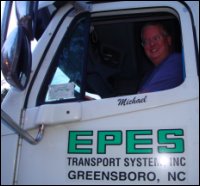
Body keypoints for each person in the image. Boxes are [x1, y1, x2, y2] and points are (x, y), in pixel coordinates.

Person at [138, 22, 183, 93]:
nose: (152, 44)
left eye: (156, 38)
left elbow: (142, 98)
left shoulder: (176, 62)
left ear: (168, 40)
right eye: (146, 41)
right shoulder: (149, 74)